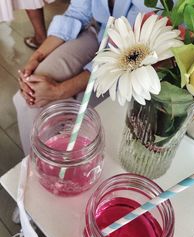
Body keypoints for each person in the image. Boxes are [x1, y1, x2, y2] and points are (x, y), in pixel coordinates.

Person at [13, 0, 161, 156]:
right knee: (29, 96)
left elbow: (131, 52)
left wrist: (60, 91)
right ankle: (39, 167)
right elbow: (78, 13)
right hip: (99, 34)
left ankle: (61, 164)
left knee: (84, 122)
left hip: (133, 60)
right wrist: (36, 58)